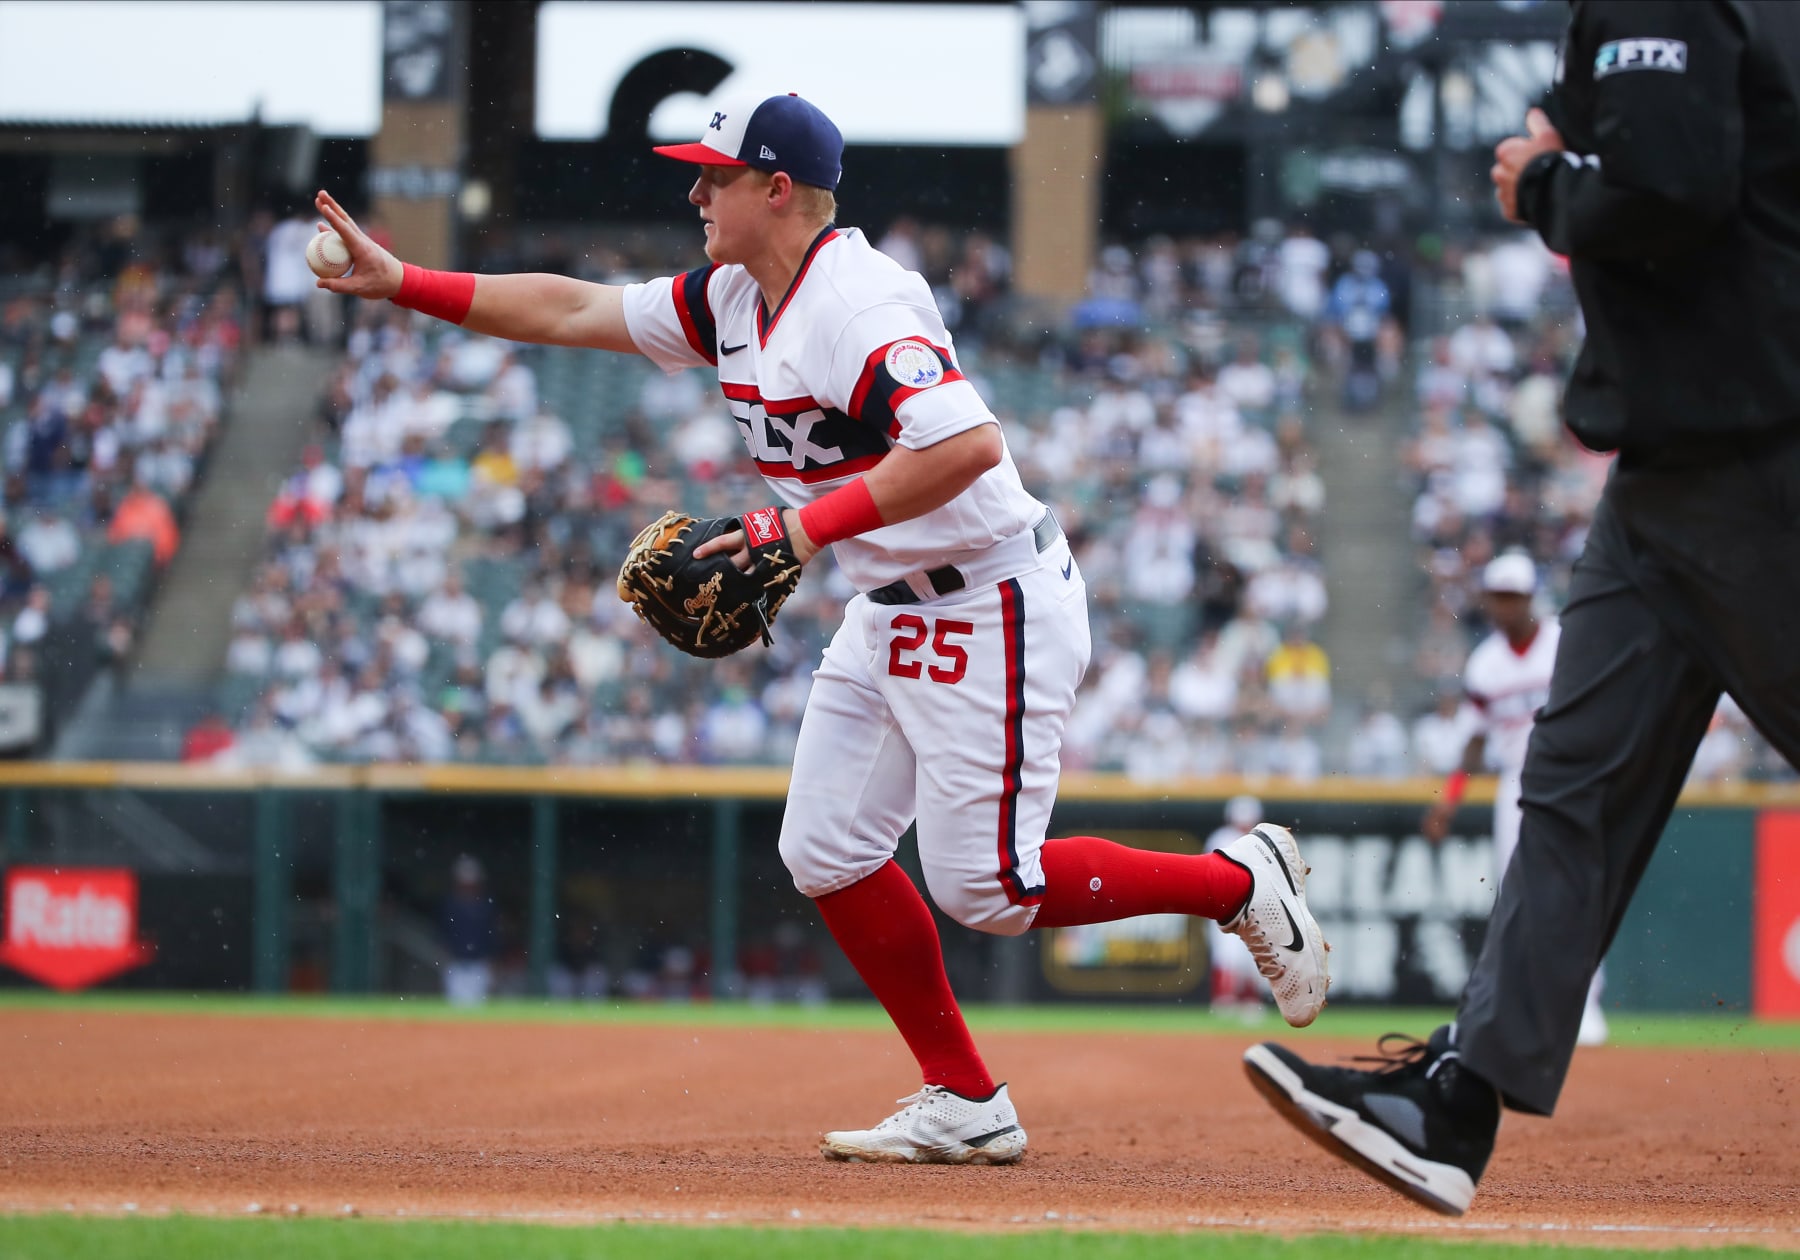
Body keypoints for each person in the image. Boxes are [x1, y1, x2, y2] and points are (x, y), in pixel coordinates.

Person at [312, 91, 1329, 1165]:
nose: (695, 191)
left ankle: (1242, 883)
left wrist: (801, 531)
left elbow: (968, 446)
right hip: (892, 604)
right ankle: (966, 1097)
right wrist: (404, 283)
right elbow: (576, 313)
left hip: (992, 596)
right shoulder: (735, 300)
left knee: (991, 891)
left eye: (715, 174)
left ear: (777, 188)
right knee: (826, 848)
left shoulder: (856, 302)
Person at [1245, 1, 1800, 1218]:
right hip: (1667, 473)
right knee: (1570, 791)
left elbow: (1678, 187)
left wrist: (1547, 179)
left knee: (1569, 796)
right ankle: (1456, 1103)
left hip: (1753, 461)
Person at [1421, 552, 1606, 1047]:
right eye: (1496, 597)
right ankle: (1525, 1006)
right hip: (1516, 786)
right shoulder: (1485, 665)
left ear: (1530, 598)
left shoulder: (1563, 644)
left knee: (1575, 890)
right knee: (1519, 898)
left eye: (1512, 596)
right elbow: (1474, 743)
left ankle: (1585, 1004)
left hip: (1570, 777)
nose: (1504, 606)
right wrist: (1448, 801)